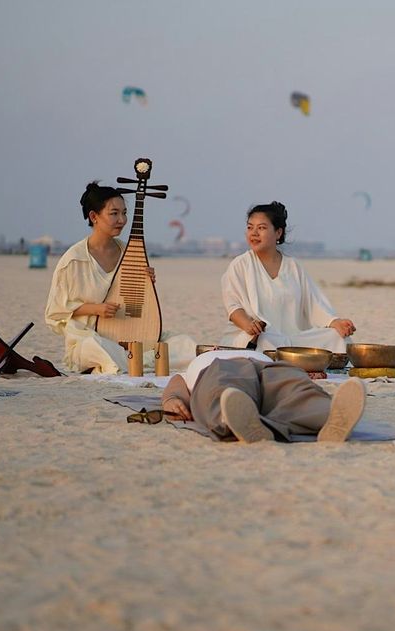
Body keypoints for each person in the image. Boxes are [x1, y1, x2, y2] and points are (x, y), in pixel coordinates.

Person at [44, 181, 196, 374]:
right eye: (114, 213)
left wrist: (146, 285)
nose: (122, 220)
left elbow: (134, 305)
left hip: (133, 333)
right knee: (98, 348)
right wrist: (96, 309)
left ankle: (133, 361)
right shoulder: (74, 261)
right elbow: (54, 313)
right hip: (91, 336)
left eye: (124, 213)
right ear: (94, 216)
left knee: (183, 344)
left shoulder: (129, 252)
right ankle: (131, 362)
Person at [219, 202, 355, 353]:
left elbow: (314, 304)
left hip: (292, 339)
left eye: (262, 228)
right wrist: (248, 325)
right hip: (257, 336)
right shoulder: (240, 265)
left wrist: (335, 322)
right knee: (264, 340)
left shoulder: (293, 266)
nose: (254, 233)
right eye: (250, 227)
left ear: (278, 233)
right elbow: (233, 307)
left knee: (339, 337)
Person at [161, 349, 366, 443]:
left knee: (295, 386)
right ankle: (235, 421)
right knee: (225, 391)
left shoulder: (254, 353)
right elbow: (176, 383)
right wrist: (171, 399)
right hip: (221, 369)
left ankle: (328, 416)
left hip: (268, 365)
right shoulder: (204, 361)